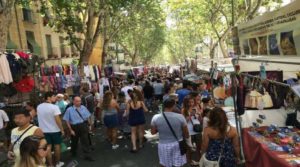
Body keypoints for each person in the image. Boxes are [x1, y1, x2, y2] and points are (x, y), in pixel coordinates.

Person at [151, 98, 189, 167]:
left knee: (164, 164)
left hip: (163, 144)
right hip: (178, 144)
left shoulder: (155, 117)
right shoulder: (180, 117)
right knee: (178, 164)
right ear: (174, 105)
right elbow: (186, 134)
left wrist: (160, 128)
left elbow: (153, 132)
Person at [37, 92, 64, 167]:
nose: (55, 98)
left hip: (44, 131)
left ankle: (50, 164)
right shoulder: (54, 107)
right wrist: (62, 130)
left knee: (48, 147)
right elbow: (58, 120)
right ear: (48, 98)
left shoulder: (39, 106)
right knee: (57, 146)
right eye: (53, 96)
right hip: (55, 130)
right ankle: (57, 163)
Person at [63, 96, 94, 161]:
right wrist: (70, 130)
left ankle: (87, 155)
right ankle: (73, 152)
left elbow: (88, 116)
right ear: (73, 101)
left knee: (85, 141)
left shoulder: (83, 107)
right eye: (77, 101)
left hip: (83, 125)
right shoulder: (69, 109)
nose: (79, 102)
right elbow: (67, 120)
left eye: (80, 101)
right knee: (74, 141)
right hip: (74, 127)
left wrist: (90, 125)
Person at [181, 96, 202, 166]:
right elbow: (184, 122)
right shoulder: (183, 110)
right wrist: (190, 115)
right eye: (189, 102)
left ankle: (200, 161)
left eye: (192, 102)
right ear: (186, 103)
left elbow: (200, 120)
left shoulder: (196, 108)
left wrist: (199, 115)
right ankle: (189, 162)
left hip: (198, 130)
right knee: (189, 148)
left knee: (199, 147)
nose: (191, 103)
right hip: (189, 131)